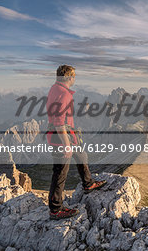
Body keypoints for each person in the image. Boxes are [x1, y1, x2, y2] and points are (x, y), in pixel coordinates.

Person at [46, 65, 106, 220]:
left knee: (81, 154)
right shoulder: (64, 94)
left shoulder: (54, 89)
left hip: (63, 133)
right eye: (74, 76)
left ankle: (88, 183)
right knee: (60, 172)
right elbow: (59, 122)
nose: (75, 79)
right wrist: (66, 144)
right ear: (69, 78)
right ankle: (56, 209)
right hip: (61, 136)